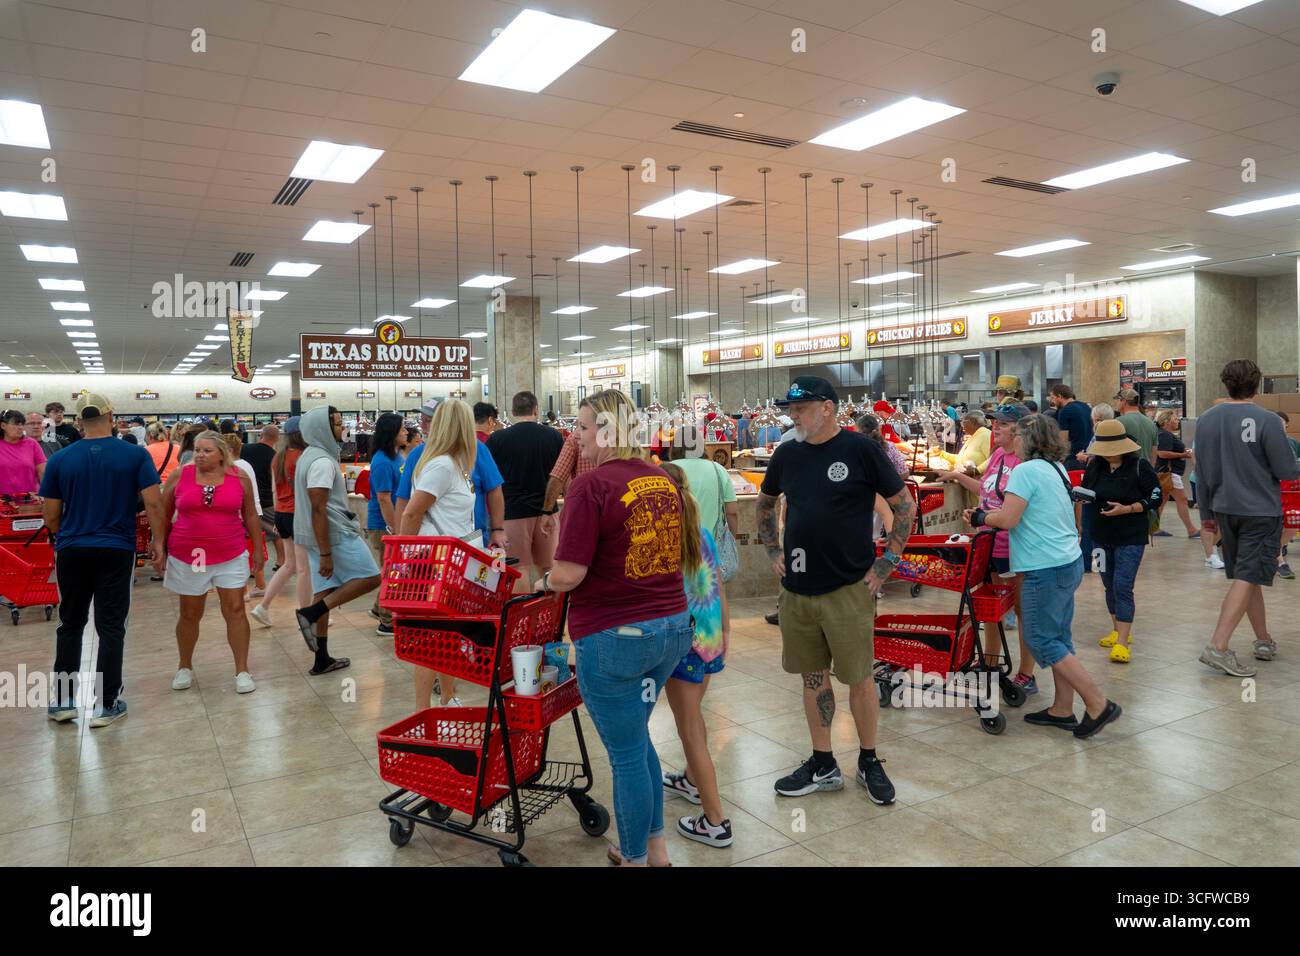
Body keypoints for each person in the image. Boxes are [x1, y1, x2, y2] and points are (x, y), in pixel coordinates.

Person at [535, 389, 693, 867]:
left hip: (614, 637)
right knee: (638, 740)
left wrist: (541, 580)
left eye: (581, 428)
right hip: (671, 629)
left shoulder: (591, 486)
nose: (575, 437)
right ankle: (657, 849)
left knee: (625, 755)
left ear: (605, 431)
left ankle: (634, 858)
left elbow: (570, 574)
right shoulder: (663, 479)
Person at [756, 376, 912, 803]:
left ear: (827, 408)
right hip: (798, 590)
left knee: (859, 678)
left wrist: (887, 561)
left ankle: (868, 758)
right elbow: (766, 502)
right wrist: (772, 549)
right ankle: (823, 761)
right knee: (812, 677)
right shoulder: (787, 453)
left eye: (800, 408)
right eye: (790, 409)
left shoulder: (860, 449)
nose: (793, 416)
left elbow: (903, 505)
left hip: (849, 588)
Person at [969, 413, 1121, 738]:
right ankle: (1062, 709)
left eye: (1019, 435)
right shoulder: (1057, 468)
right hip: (1067, 561)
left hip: (1043, 565)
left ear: (1028, 439)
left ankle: (1097, 703)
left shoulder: (1025, 471)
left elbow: (1009, 519)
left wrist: (982, 516)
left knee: (1040, 638)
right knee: (1060, 637)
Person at [40, 393, 166, 727]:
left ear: (78, 420)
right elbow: (154, 504)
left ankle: (64, 701)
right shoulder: (134, 456)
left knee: (70, 623)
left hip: (71, 548)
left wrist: (71, 532)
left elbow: (50, 515)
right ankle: (106, 703)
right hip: (116, 548)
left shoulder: (60, 460)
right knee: (111, 626)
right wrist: (159, 542)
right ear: (112, 415)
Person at [1194, 360, 1298, 676]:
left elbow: (1203, 470)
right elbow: (1286, 470)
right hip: (1260, 512)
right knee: (1249, 576)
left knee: (1248, 577)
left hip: (1225, 509)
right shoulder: (1266, 421)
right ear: (1257, 384)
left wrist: (1207, 515)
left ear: (1226, 384)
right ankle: (1218, 645)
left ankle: (1263, 639)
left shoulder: (1206, 420)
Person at [938, 404, 1036, 695]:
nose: (996, 428)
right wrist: (956, 477)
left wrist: (990, 518)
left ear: (1019, 429)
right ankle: (991, 663)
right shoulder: (997, 456)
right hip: (988, 543)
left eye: (1003, 424)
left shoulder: (1025, 462)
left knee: (1021, 610)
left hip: (1015, 547)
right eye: (995, 422)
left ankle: (1026, 674)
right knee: (991, 608)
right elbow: (985, 489)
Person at [658, 461, 731, 848]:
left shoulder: (667, 538)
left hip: (684, 641)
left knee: (690, 730)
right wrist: (726, 632)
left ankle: (716, 820)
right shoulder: (701, 532)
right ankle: (689, 779)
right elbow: (717, 585)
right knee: (695, 719)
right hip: (709, 637)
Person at [156, 431, 263, 694]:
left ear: (222, 453)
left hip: (231, 550)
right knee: (190, 612)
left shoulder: (239, 477)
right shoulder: (181, 474)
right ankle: (184, 666)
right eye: (197, 450)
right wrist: (158, 543)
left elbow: (250, 514)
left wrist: (259, 549)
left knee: (235, 609)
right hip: (189, 553)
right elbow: (163, 510)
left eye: (207, 451)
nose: (200, 455)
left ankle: (242, 670)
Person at [398, 400, 479, 708]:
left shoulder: (454, 463)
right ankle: (422, 712)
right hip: (433, 564)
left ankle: (448, 696)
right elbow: (411, 513)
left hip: (451, 562)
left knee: (447, 636)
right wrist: (403, 561)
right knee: (431, 641)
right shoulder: (442, 466)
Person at [292, 406, 381, 675]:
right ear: (322, 428)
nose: (344, 428)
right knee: (372, 577)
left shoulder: (310, 455)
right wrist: (327, 552)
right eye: (338, 423)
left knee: (325, 588)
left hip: (315, 534)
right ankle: (311, 612)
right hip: (334, 533)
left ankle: (321, 657)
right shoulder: (321, 461)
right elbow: (319, 507)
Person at [1082, 420, 1162, 664]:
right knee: (1108, 584)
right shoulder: (1095, 466)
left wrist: (1127, 509)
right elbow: (1086, 489)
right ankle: (1117, 628)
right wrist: (1083, 497)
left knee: (1123, 586)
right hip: (1099, 536)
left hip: (1131, 537)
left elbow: (1155, 496)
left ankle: (1122, 642)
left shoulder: (1140, 466)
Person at [394, 397, 507, 553]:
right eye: (423, 420)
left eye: (428, 420)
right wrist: (403, 552)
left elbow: (494, 489)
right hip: (441, 556)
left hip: (461, 548)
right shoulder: (442, 465)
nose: (423, 425)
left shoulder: (468, 454)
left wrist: (497, 529)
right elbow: (410, 510)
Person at [486, 391, 565, 590]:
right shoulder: (554, 436)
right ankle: (551, 616)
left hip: (512, 512)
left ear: (513, 411)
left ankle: (520, 617)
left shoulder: (497, 439)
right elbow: (562, 475)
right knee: (549, 567)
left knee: (518, 568)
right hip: (547, 511)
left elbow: (490, 479)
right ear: (536, 409)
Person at [249, 418, 311, 628]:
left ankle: (263, 607)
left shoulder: (278, 457)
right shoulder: (303, 457)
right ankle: (308, 615)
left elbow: (276, 491)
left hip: (282, 514)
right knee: (304, 568)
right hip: (298, 515)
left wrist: (276, 516)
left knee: (290, 564)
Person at [662, 422, 740, 546]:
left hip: (676, 550)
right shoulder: (718, 470)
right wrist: (731, 541)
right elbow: (732, 512)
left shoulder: (665, 471)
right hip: (711, 552)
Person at [364, 412, 406, 636]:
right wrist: (395, 528)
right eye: (402, 429)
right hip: (383, 524)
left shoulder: (397, 456)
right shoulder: (381, 461)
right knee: (393, 571)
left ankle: (377, 608)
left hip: (394, 521)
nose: (406, 432)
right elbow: (383, 498)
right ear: (392, 433)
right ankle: (387, 622)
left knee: (392, 569)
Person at [222, 432, 265, 596]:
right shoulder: (247, 464)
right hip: (254, 512)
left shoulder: (235, 468)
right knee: (252, 550)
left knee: (241, 553)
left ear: (230, 450)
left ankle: (244, 590)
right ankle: (260, 585)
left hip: (242, 515)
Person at [241, 423, 284, 573]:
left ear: (261, 435)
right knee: (277, 533)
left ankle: (251, 566)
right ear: (277, 439)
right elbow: (277, 481)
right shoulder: (274, 456)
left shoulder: (244, 449)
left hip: (245, 499)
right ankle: (281, 561)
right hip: (266, 500)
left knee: (249, 534)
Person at [1153, 410, 1198, 539]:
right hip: (1170, 473)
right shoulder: (1166, 435)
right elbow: (1162, 453)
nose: (1178, 421)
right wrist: (1183, 455)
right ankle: (1191, 530)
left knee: (1162, 499)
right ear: (1166, 422)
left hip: (1167, 472)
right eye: (1175, 419)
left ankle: (1154, 527)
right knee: (1182, 499)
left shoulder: (1163, 434)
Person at [544, 427, 597, 513]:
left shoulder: (575, 437)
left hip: (584, 507)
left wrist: (547, 511)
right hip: (615, 506)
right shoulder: (621, 437)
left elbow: (558, 477)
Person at [0, 408, 47, 496]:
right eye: (16, 424)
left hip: (30, 500)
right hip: (2, 501)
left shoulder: (32, 444)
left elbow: (43, 473)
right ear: (3, 426)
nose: (20, 427)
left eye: (22, 424)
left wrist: (47, 496)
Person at [1113, 387, 1158, 466]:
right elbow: (1154, 454)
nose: (1117, 403)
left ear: (1124, 401)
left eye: (1118, 400)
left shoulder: (1118, 422)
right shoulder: (1151, 424)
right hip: (1145, 472)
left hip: (1126, 472)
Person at [1049, 384, 1092, 466]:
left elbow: (1063, 439)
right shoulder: (1086, 406)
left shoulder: (1064, 411)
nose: (1052, 401)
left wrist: (1061, 457)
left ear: (1060, 396)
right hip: (1087, 455)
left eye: (1053, 398)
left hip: (1073, 458)